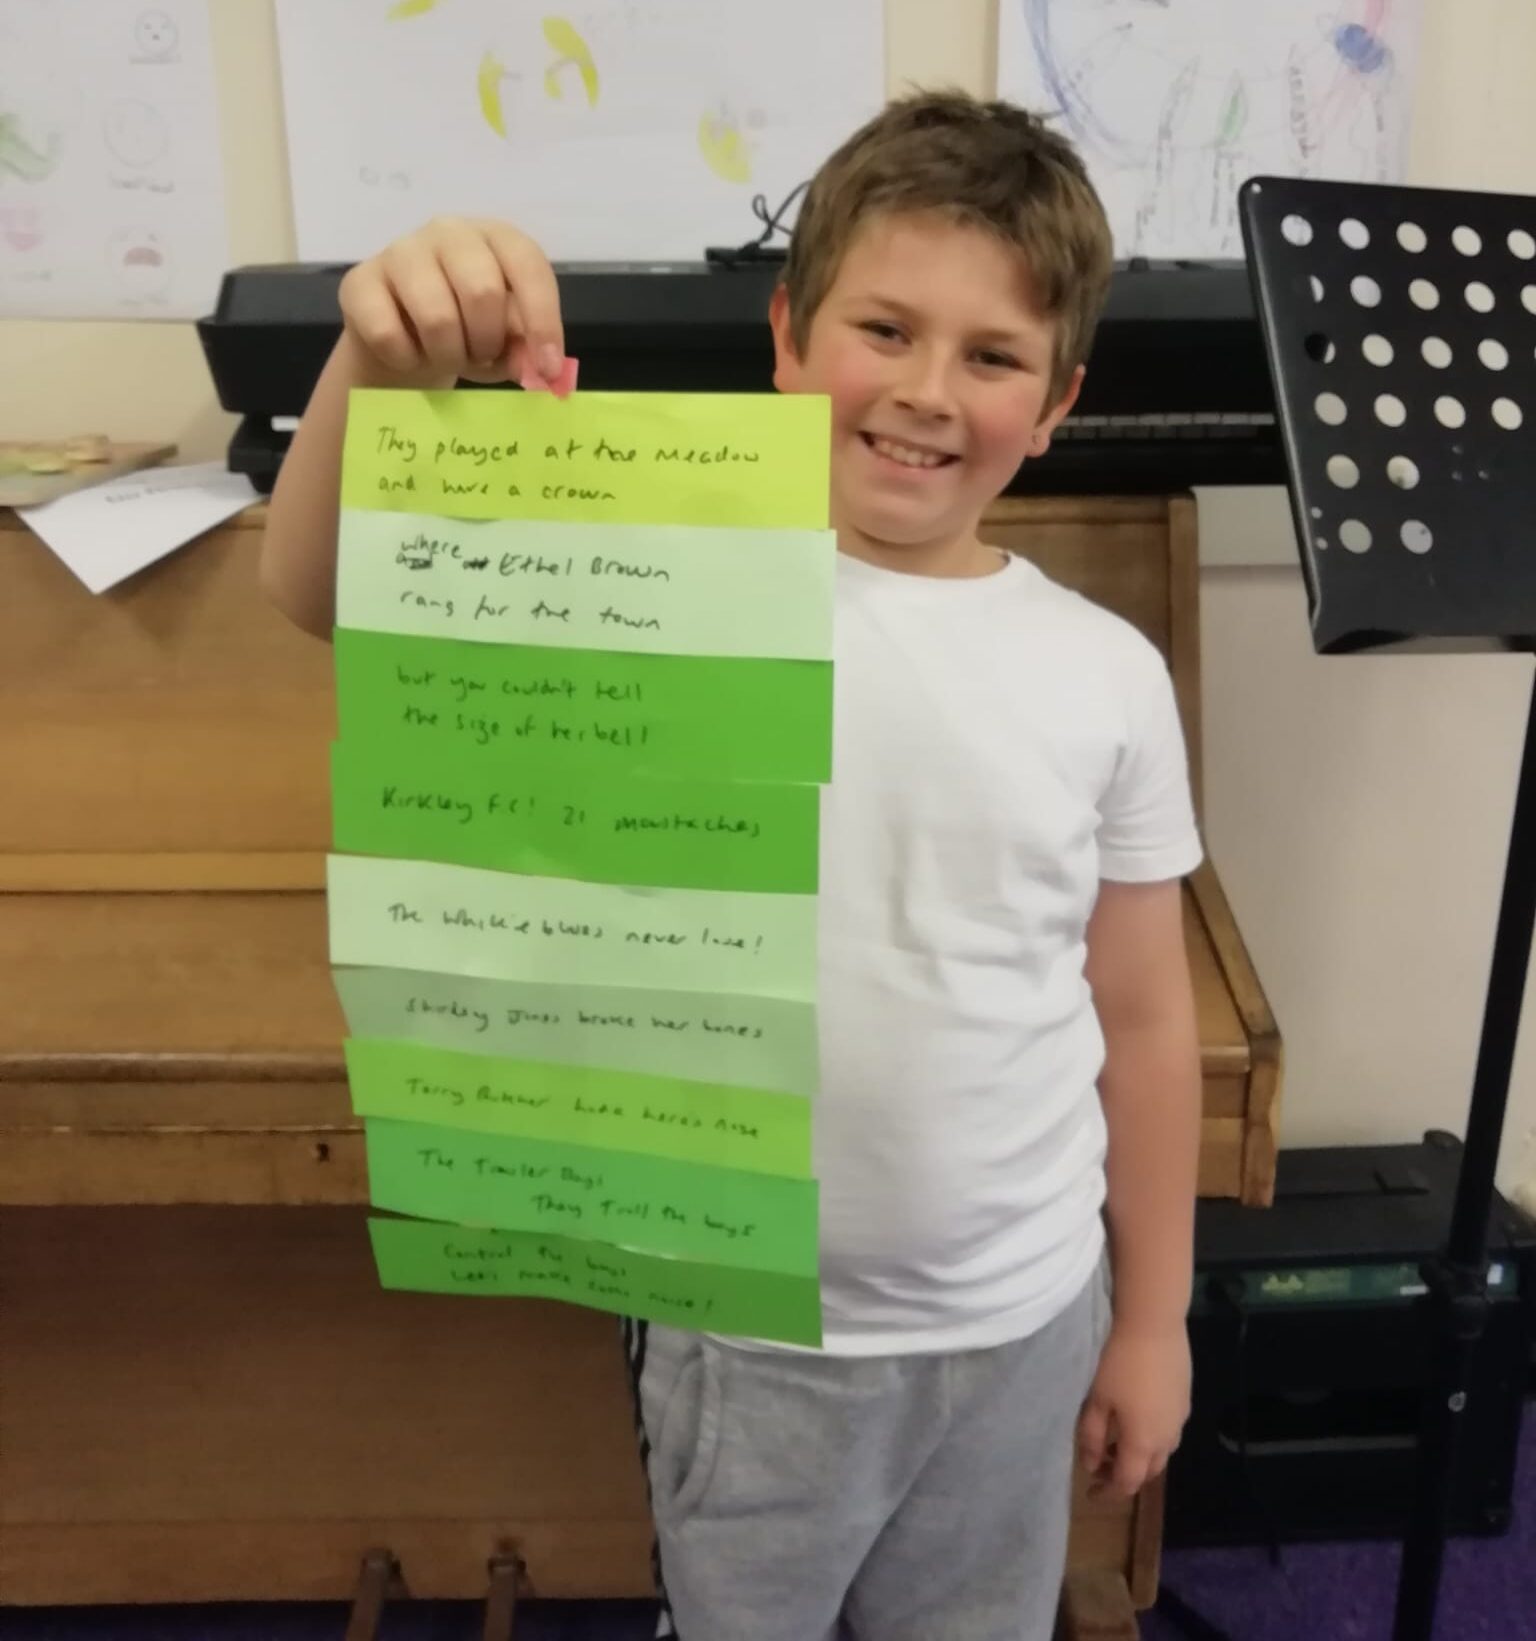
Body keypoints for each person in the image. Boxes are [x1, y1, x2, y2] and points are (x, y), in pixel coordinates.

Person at [261, 88, 1205, 1641]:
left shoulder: (1106, 671)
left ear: (1056, 403)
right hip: (752, 1332)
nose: (926, 390)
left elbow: (1146, 1014)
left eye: (993, 356)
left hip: (1024, 1312)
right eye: (883, 329)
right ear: (785, 335)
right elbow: (316, 589)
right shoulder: (654, 573)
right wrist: (376, 355)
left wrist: (1154, 1316)